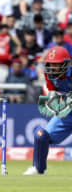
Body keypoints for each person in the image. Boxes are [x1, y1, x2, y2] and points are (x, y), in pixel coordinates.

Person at [23, 46, 72, 175]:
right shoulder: (50, 75)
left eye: (57, 64)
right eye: (51, 64)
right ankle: (38, 169)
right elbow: (54, 94)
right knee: (41, 135)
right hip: (67, 113)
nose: (53, 67)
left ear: (66, 64)